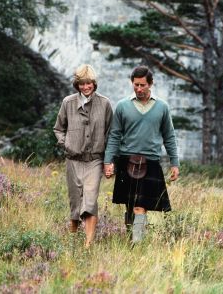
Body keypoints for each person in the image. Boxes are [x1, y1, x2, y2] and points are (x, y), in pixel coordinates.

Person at [104, 65, 179, 244]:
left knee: (140, 206)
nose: (138, 89)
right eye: (135, 85)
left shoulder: (162, 107)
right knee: (131, 206)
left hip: (151, 161)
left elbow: (169, 135)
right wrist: (108, 161)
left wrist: (174, 163)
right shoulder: (122, 106)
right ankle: (132, 237)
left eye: (142, 85)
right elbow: (114, 135)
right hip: (126, 160)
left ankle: (136, 244)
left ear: (150, 84)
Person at [54, 64, 113, 247]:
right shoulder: (68, 102)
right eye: (82, 84)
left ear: (94, 83)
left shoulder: (105, 104)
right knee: (75, 201)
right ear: (77, 85)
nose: (86, 87)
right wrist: (67, 144)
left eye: (89, 83)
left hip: (95, 160)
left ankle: (88, 244)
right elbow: (58, 128)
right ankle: (72, 238)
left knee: (90, 200)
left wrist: (109, 161)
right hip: (73, 160)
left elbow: (111, 134)